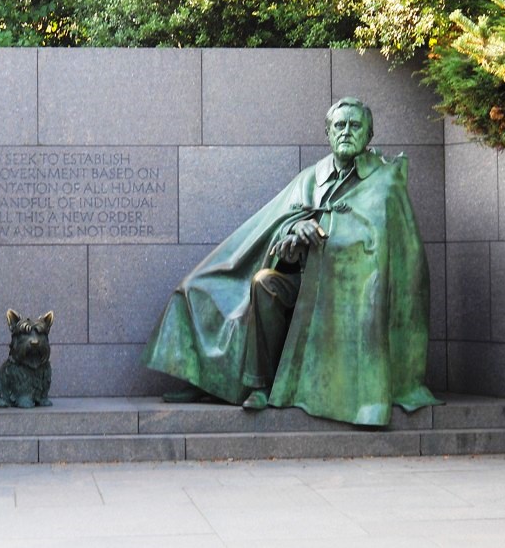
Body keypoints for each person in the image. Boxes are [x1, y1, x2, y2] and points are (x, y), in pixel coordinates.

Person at [141, 97, 440, 426]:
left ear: (369, 135)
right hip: (300, 281)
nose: (346, 132)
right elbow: (276, 228)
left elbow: (389, 249)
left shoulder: (385, 181)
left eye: (355, 126)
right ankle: (241, 383)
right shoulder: (311, 178)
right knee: (242, 285)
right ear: (327, 132)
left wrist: (332, 240)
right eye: (339, 125)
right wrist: (293, 232)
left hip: (346, 296)